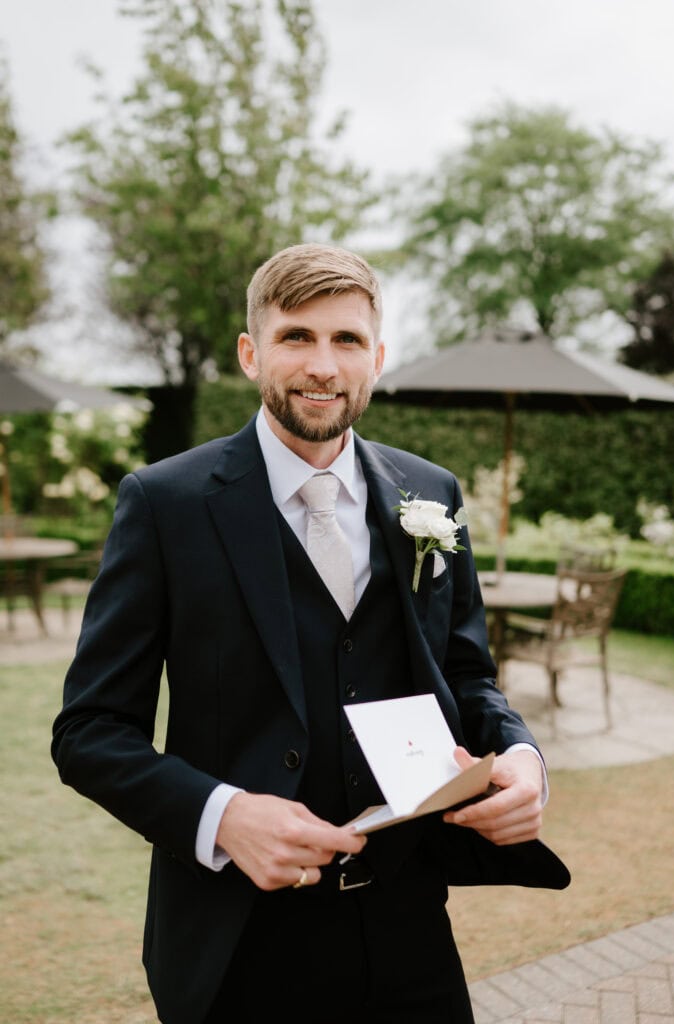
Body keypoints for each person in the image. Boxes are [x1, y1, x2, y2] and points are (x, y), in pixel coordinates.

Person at [52, 243, 568, 1024]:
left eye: (347, 340)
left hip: (408, 925)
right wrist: (222, 814)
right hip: (240, 939)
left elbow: (468, 674)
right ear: (251, 353)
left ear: (378, 357)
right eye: (297, 337)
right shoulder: (166, 504)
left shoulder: (431, 492)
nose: (323, 366)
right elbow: (89, 731)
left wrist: (524, 759)